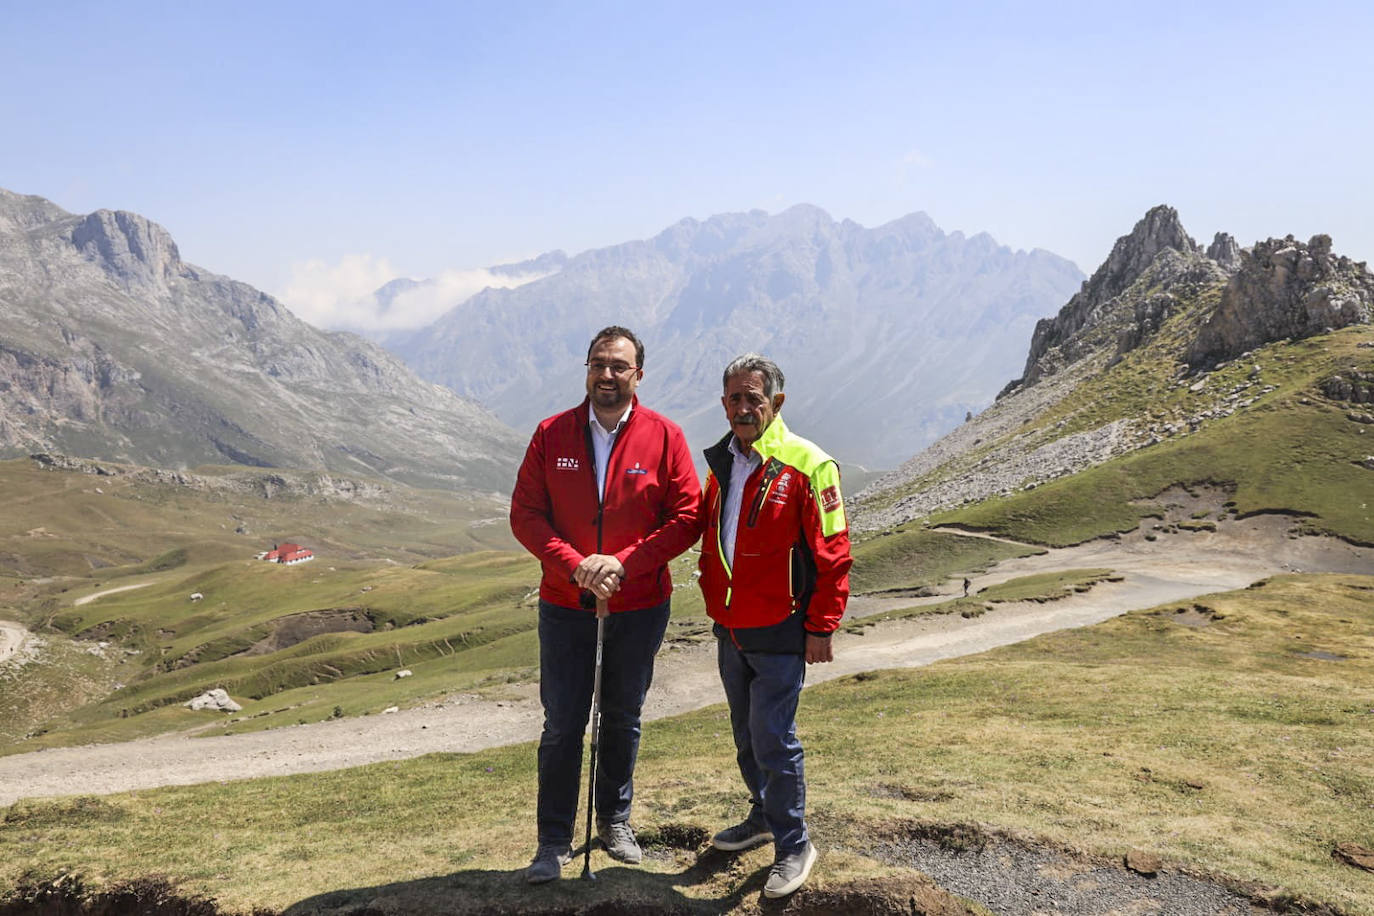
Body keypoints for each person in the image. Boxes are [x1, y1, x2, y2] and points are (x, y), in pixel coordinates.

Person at [510, 326, 701, 883]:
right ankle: (552, 841)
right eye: (598, 364)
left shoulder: (666, 436)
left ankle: (615, 820)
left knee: (622, 717)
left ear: (638, 374)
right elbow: (526, 515)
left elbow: (686, 517)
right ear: (586, 370)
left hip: (639, 603)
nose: (608, 375)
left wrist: (623, 563)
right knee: (563, 723)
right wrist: (577, 564)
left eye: (620, 366)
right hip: (566, 603)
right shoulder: (552, 433)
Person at [696, 353, 852, 898]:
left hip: (783, 630)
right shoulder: (723, 465)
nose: (743, 408)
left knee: (773, 739)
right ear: (723, 404)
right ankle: (763, 815)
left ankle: (793, 844)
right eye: (734, 399)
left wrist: (822, 626)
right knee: (746, 737)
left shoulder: (810, 465)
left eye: (753, 399)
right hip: (732, 629)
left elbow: (834, 555)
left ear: (776, 403)